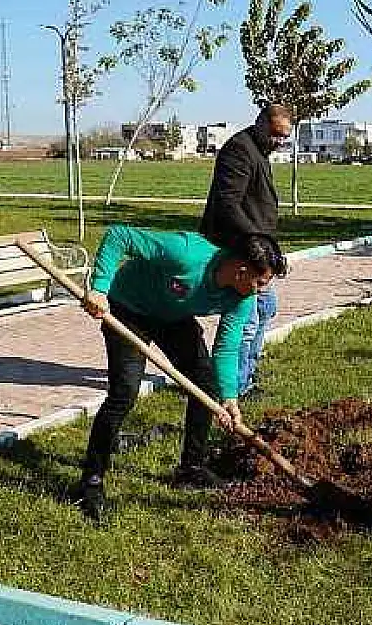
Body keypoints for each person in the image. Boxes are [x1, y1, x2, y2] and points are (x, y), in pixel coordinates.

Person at [76, 224, 287, 522]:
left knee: (205, 384)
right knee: (124, 393)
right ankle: (91, 482)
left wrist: (229, 398)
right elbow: (118, 236)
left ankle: (190, 468)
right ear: (241, 269)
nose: (262, 289)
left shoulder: (242, 298)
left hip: (173, 317)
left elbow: (226, 348)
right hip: (129, 308)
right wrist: (99, 288)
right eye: (260, 281)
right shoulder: (186, 253)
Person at [201, 103, 293, 398]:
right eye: (276, 135)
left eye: (284, 138)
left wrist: (271, 251)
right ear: (261, 124)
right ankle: (233, 387)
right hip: (238, 247)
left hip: (257, 248)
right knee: (246, 322)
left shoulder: (259, 152)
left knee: (266, 308)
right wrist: (255, 245)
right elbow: (228, 204)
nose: (279, 143)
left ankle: (247, 375)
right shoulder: (239, 150)